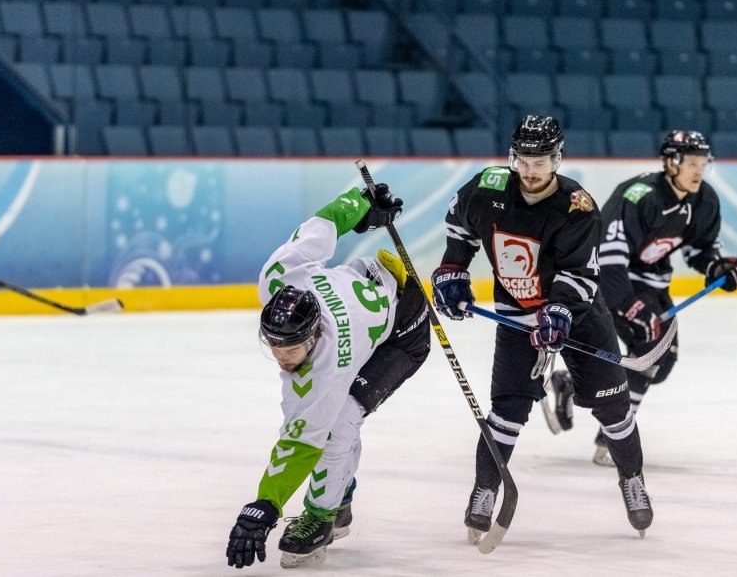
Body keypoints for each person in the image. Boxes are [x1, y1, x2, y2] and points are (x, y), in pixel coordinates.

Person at [430, 115, 654, 539]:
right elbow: (460, 225)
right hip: (516, 313)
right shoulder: (489, 187)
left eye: (541, 161)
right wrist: (453, 269)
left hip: (580, 315)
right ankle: (484, 487)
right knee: (507, 410)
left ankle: (632, 479)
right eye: (523, 160)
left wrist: (559, 311)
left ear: (557, 159)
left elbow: (582, 274)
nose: (530, 171)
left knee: (612, 407)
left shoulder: (577, 206)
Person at [225, 184, 431, 569]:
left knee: (341, 421)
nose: (284, 359)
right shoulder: (278, 276)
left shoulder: (329, 362)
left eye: (293, 350)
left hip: (404, 331)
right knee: (336, 420)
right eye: (275, 347)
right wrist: (362, 204)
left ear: (314, 334)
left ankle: (323, 517)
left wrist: (267, 502)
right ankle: (342, 494)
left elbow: (303, 440)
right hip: (376, 283)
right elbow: (324, 222)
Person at [550, 130, 737, 466]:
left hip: (652, 286)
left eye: (702, 163)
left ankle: (572, 383)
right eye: (690, 163)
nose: (698, 170)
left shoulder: (704, 200)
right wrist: (626, 303)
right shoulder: (639, 195)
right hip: (609, 282)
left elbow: (701, 250)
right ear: (671, 163)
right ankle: (613, 437)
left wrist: (718, 268)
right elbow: (608, 257)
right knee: (649, 351)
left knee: (662, 362)